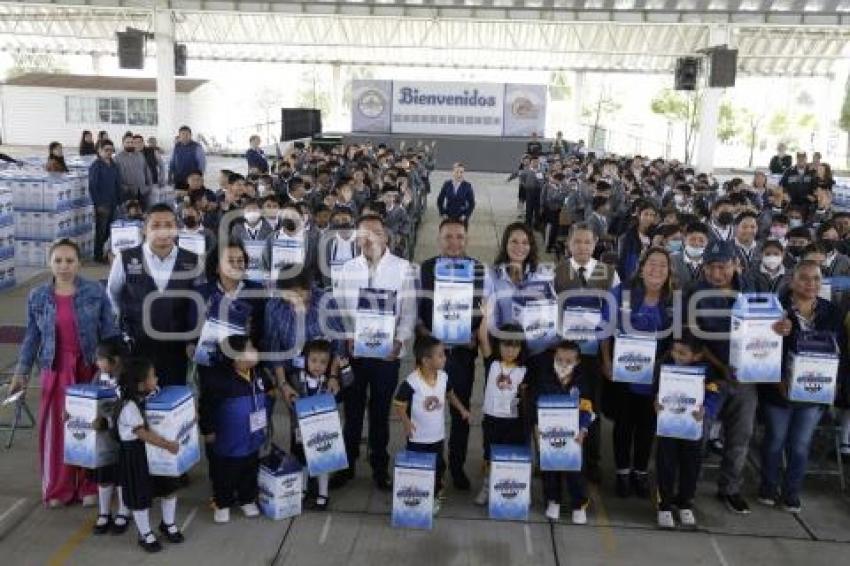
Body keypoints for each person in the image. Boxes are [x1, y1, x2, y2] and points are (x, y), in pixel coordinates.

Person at [9, 239, 118, 507]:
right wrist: (21, 373)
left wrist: (112, 364)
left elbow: (110, 331)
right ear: (49, 263)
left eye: (69, 260)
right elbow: (32, 339)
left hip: (90, 370)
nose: (64, 266)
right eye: (58, 260)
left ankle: (90, 483)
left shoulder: (95, 291)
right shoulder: (37, 296)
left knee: (90, 428)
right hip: (55, 371)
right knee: (57, 429)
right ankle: (59, 486)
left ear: (79, 263)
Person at [687, 239, 782, 514]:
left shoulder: (752, 288)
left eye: (723, 266)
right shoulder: (694, 292)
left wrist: (780, 326)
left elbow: (770, 323)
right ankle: (688, 489)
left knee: (740, 437)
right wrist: (722, 366)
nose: (717, 273)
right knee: (698, 434)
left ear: (736, 264)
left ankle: (730, 488)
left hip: (745, 379)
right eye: (711, 267)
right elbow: (693, 339)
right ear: (703, 268)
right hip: (706, 375)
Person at [333, 214, 418, 490]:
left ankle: (380, 465)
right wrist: (347, 337)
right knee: (353, 411)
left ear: (386, 237)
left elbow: (408, 313)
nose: (369, 239)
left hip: (386, 357)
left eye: (375, 233)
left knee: (380, 413)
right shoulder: (347, 269)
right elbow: (342, 310)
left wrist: (400, 342)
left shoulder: (403, 269)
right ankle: (347, 465)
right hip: (355, 356)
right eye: (364, 234)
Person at [758, 260, 847, 513]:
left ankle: (791, 493)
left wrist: (835, 383)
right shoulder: (776, 309)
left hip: (814, 391)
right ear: (792, 281)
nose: (811, 284)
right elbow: (762, 350)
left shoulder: (832, 311)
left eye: (816, 279)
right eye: (805, 278)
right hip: (780, 390)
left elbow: (842, 353)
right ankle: (767, 486)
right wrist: (776, 379)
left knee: (800, 444)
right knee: (775, 441)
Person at [416, 218, 485, 490]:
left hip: (461, 354)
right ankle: (432, 467)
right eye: (448, 237)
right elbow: (418, 307)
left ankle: (457, 466)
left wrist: (474, 334)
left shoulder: (478, 269)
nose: (454, 242)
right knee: (427, 409)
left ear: (467, 239)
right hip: (430, 354)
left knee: (461, 411)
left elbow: (483, 307)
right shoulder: (426, 268)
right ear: (439, 239)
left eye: (459, 237)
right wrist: (426, 335)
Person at [601, 247, 675, 498]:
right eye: (651, 264)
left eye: (662, 265)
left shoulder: (674, 301)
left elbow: (677, 341)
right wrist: (607, 361)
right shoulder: (621, 293)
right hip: (624, 374)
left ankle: (640, 472)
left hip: (656, 376)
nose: (656, 269)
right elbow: (605, 331)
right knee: (623, 425)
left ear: (669, 272)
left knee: (647, 426)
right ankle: (622, 472)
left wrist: (661, 364)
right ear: (641, 267)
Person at [107, 203, 203, 387]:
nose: (162, 231)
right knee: (136, 399)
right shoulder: (126, 258)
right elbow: (113, 295)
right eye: (156, 226)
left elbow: (197, 304)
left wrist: (193, 340)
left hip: (176, 347)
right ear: (144, 229)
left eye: (168, 225)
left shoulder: (191, 261)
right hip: (137, 346)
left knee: (172, 401)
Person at [553, 223, 620, 483]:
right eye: (577, 242)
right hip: (564, 355)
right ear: (568, 244)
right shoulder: (556, 273)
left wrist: (607, 358)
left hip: (594, 355)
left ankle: (592, 461)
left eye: (587, 242)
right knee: (562, 403)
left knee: (592, 407)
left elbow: (613, 317)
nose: (582, 247)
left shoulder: (610, 275)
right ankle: (557, 455)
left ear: (595, 245)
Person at [394, 335, 471, 516]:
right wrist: (406, 422)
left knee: (438, 466)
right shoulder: (412, 382)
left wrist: (462, 409)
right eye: (440, 355)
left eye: (444, 354)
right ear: (426, 360)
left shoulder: (443, 377)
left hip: (437, 436)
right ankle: (417, 494)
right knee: (418, 468)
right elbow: (399, 404)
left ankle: (436, 494)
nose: (444, 358)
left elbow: (450, 395)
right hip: (417, 437)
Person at [114, 358, 184, 553]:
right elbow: (143, 434)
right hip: (136, 455)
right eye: (153, 376)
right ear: (140, 384)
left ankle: (168, 524)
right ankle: (145, 533)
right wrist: (167, 444)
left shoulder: (154, 394)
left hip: (155, 452)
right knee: (140, 496)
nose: (157, 378)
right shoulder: (129, 407)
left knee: (168, 486)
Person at [654, 331, 722, 529]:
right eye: (675, 351)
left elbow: (713, 395)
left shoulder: (706, 372)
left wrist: (706, 409)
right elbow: (655, 393)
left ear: (697, 356)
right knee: (665, 466)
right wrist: (656, 404)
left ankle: (685, 503)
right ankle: (664, 506)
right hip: (667, 428)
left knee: (691, 467)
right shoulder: (663, 368)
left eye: (682, 353)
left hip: (692, 429)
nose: (677, 356)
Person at [199, 335, 270, 523]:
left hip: (251, 437)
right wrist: (208, 430)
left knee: (249, 468)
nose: (255, 350)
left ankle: (247, 499)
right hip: (228, 440)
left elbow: (268, 391)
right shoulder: (218, 380)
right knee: (225, 473)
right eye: (250, 348)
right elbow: (206, 406)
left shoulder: (258, 373)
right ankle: (222, 502)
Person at [533, 340, 593, 525]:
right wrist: (537, 429)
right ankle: (553, 500)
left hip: (574, 437)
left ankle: (579, 504)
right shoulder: (544, 379)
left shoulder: (582, 382)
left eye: (568, 361)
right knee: (550, 469)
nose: (563, 364)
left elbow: (587, 408)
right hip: (549, 435)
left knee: (575, 471)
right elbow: (537, 407)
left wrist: (583, 430)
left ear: (577, 362)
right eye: (559, 360)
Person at [474, 323, 528, 506]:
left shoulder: (524, 370)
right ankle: (487, 487)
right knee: (489, 455)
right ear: (498, 345)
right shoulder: (493, 363)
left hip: (514, 421)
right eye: (506, 345)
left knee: (511, 456)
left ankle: (514, 490)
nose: (511, 350)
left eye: (516, 346)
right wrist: (486, 317)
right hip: (492, 420)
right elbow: (482, 336)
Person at [284, 339, 341, 510]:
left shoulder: (330, 382)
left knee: (322, 460)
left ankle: (323, 493)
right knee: (302, 460)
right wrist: (293, 399)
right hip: (301, 428)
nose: (317, 366)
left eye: (323, 362)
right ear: (305, 359)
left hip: (322, 430)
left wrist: (341, 373)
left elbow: (346, 386)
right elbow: (288, 396)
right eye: (313, 360)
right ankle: (303, 489)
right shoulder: (295, 378)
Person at [91, 339, 131, 535]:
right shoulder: (99, 376)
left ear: (115, 360)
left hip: (124, 438)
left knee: (123, 476)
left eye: (100, 359)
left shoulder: (128, 379)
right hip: (104, 440)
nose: (96, 363)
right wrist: (73, 413)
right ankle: (104, 512)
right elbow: (88, 399)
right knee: (104, 475)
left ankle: (124, 511)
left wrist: (109, 422)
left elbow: (132, 410)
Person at [88, 140, 122, 263]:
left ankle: (106, 253)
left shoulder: (113, 164)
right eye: (106, 150)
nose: (109, 152)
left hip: (114, 202)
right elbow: (92, 186)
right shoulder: (96, 166)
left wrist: (119, 200)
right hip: (102, 204)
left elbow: (118, 183)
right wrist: (97, 204)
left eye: (111, 150)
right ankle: (97, 256)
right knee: (101, 231)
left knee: (110, 230)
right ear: (99, 150)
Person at [169, 125, 207, 191]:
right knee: (179, 198)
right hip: (178, 179)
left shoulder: (197, 147)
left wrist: (199, 180)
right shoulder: (176, 146)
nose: (184, 137)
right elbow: (172, 162)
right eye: (182, 134)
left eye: (187, 134)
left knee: (192, 199)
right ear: (179, 136)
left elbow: (202, 165)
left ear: (191, 135)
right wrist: (169, 175)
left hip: (193, 181)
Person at [519, 156, 545, 228]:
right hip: (529, 191)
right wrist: (526, 186)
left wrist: (539, 180)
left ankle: (536, 223)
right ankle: (528, 223)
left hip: (538, 191)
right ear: (531, 162)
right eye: (534, 162)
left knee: (537, 208)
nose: (535, 163)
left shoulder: (540, 171)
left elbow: (542, 181)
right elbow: (522, 179)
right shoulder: (526, 170)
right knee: (529, 208)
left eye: (537, 162)